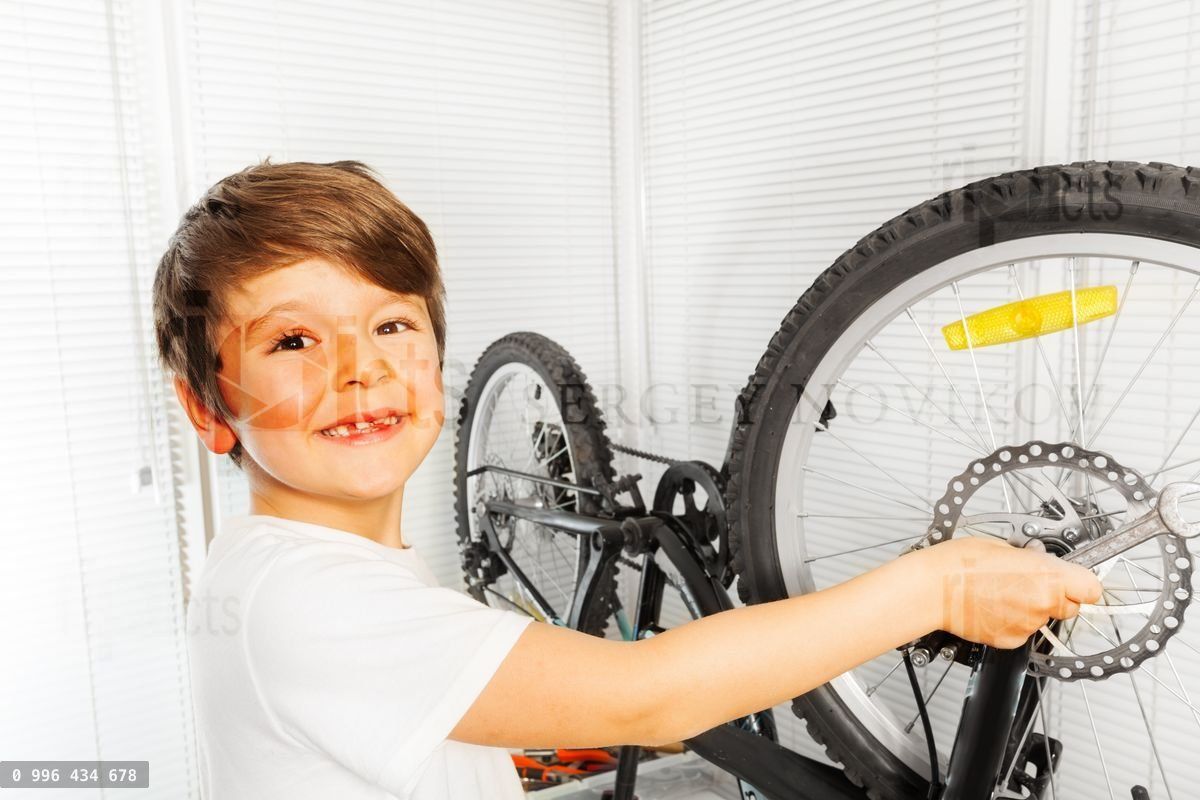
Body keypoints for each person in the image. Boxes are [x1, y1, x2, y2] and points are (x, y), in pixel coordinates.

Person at [153, 159, 1103, 800]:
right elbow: (648, 696)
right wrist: (940, 584)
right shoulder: (301, 600)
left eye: (392, 326)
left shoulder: (279, 565)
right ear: (206, 408)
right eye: (292, 341)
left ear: (438, 361)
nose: (359, 368)